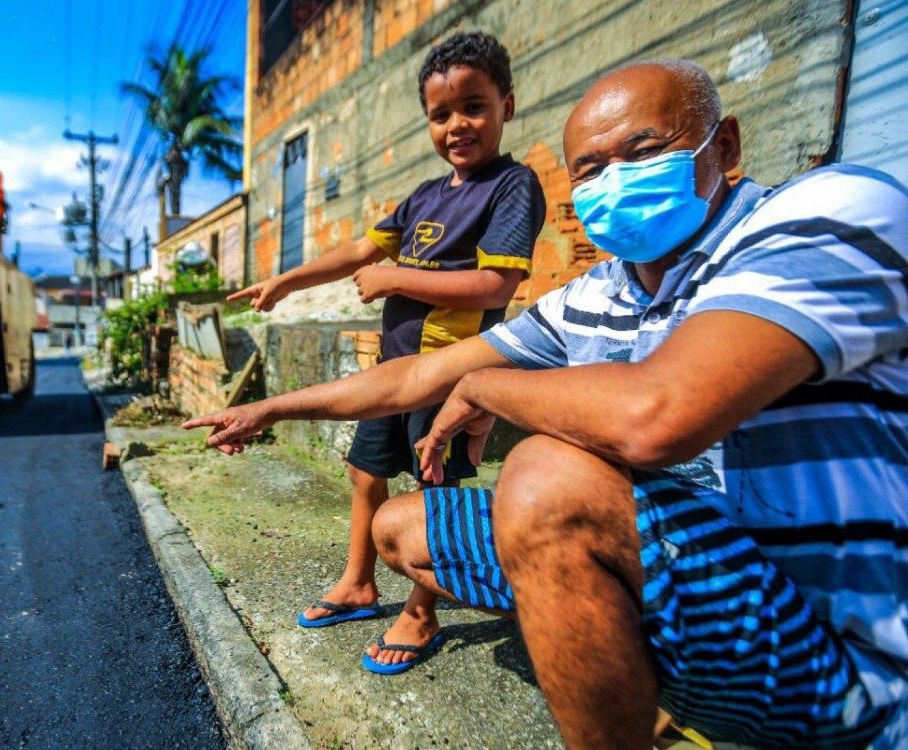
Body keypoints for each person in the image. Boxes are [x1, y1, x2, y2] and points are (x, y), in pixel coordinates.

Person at [185, 58, 908, 748]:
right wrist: (269, 409)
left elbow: (658, 416)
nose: (613, 180)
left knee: (544, 481)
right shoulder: (599, 292)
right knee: (402, 526)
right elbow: (410, 380)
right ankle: (660, 683)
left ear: (725, 145)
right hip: (680, 577)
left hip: (846, 663)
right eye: (591, 170)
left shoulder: (828, 211)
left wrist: (482, 386)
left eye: (643, 149)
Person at [226, 31, 544, 673]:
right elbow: (359, 252)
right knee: (366, 474)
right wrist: (287, 281)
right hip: (392, 373)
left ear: (507, 105)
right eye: (440, 115)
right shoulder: (426, 195)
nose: (458, 125)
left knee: (437, 489)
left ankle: (421, 612)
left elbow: (496, 283)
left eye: (474, 107)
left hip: (450, 380)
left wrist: (397, 278)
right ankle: (357, 581)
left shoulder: (513, 186)